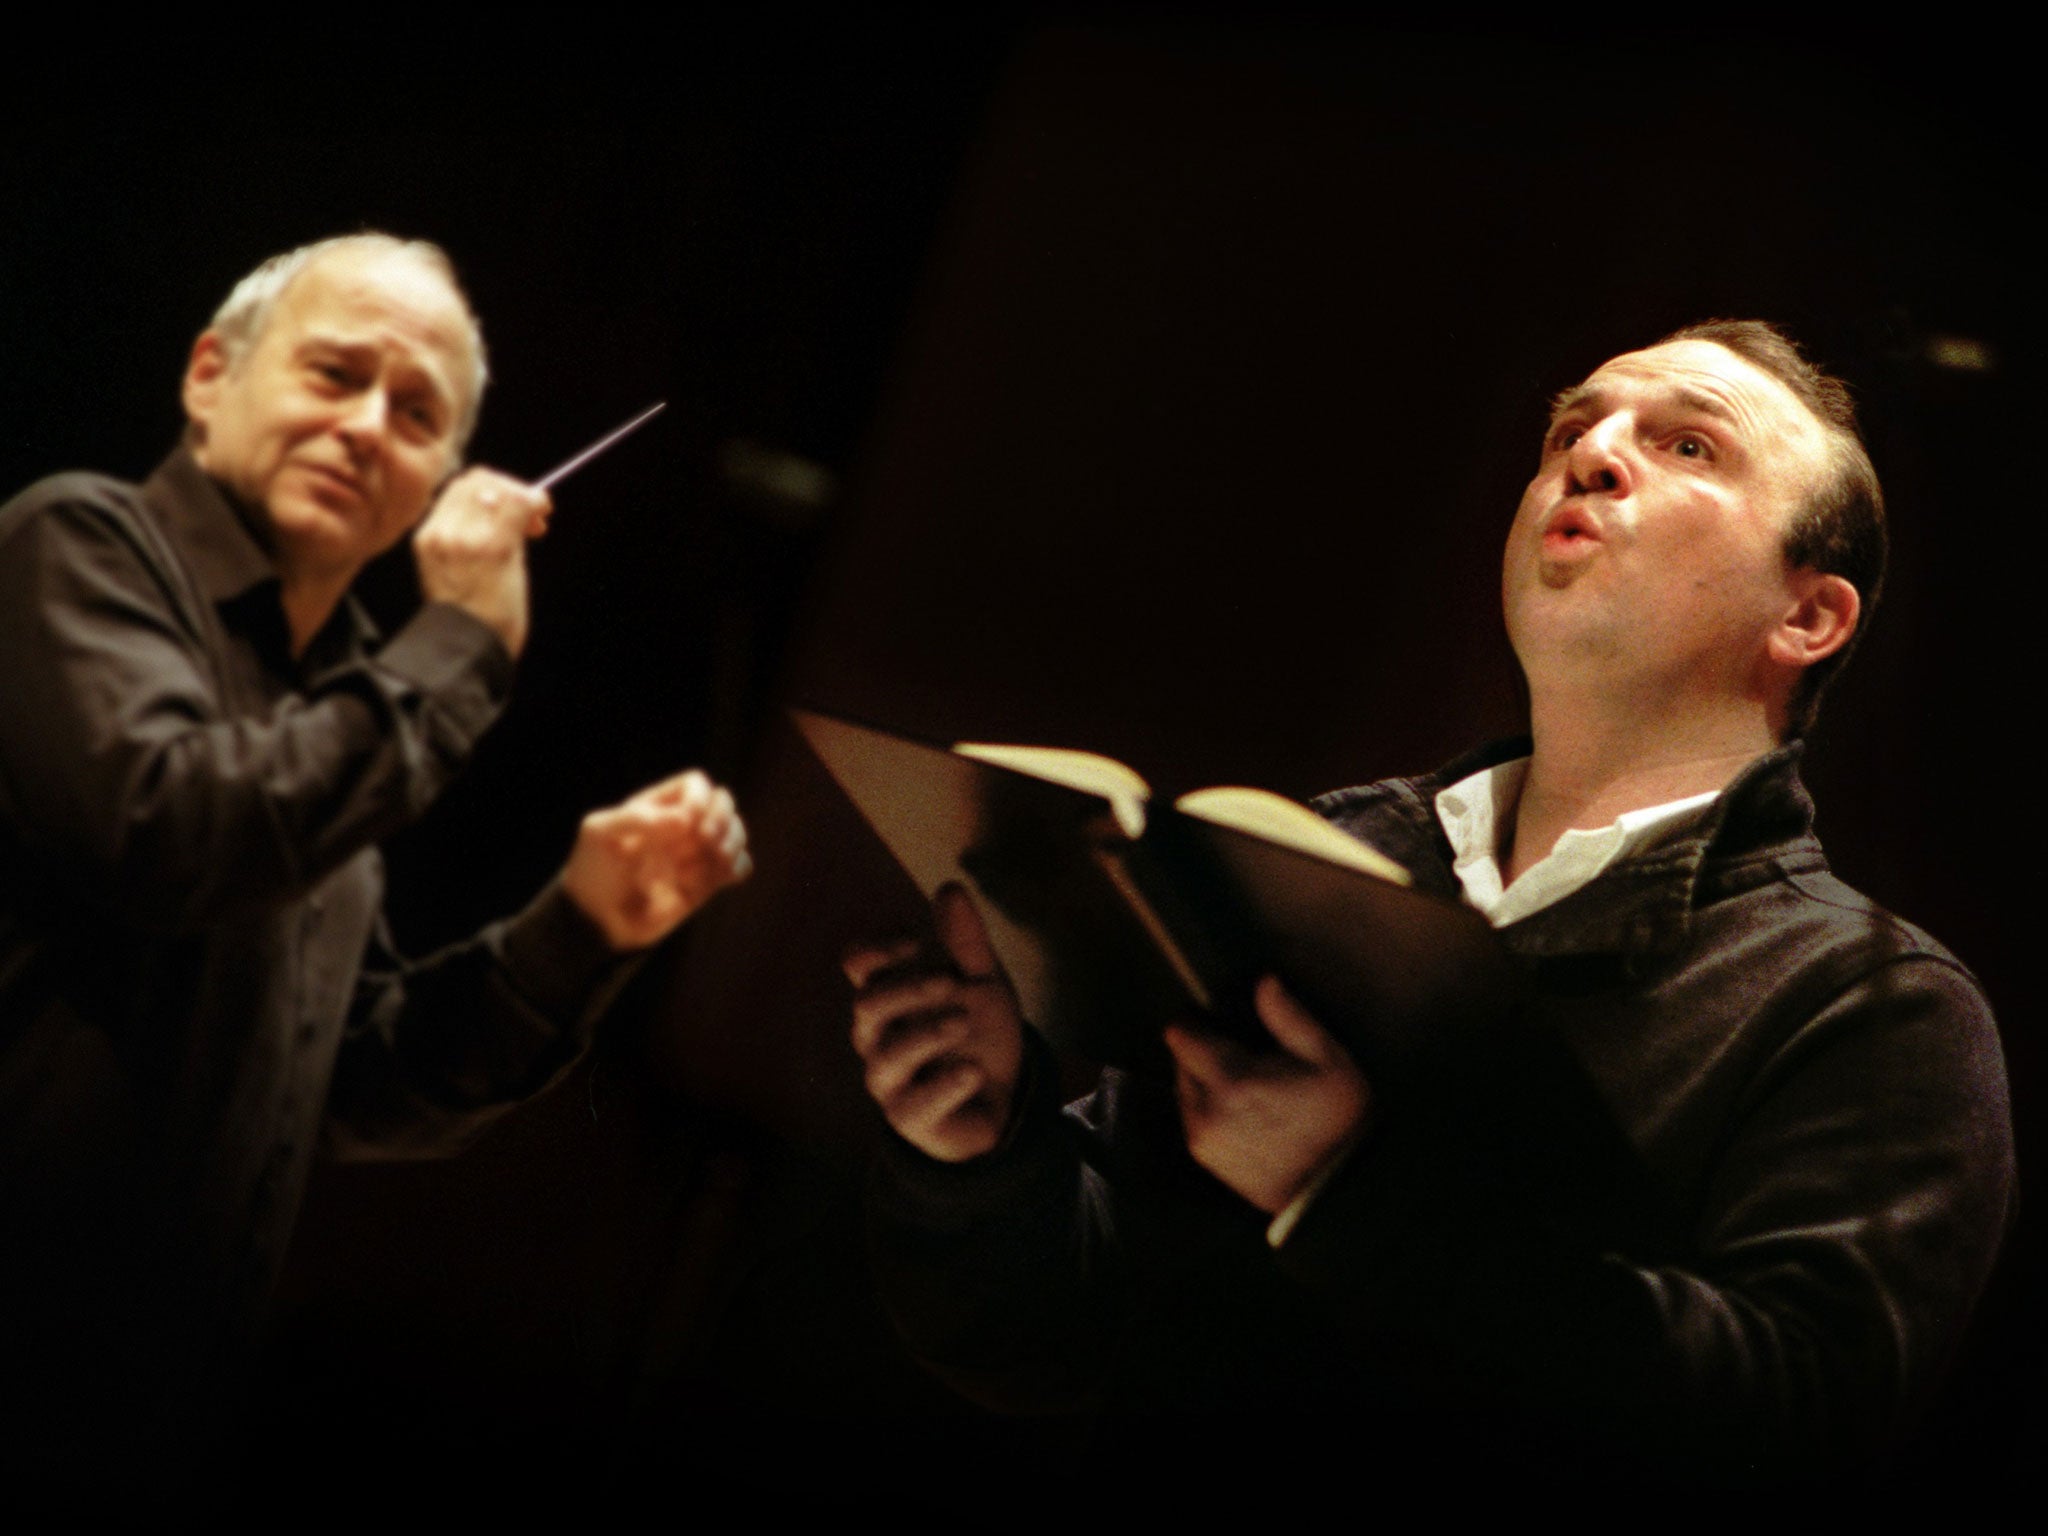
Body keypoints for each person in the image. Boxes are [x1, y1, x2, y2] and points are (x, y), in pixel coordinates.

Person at [842, 321, 2015, 1493]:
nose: (1590, 454)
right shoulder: (1336, 852)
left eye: (1689, 446)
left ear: (1805, 619)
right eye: (1572, 427)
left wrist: (1343, 1199)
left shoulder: (1868, 1003)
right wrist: (981, 1153)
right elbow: (1059, 1332)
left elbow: (1788, 1427)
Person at [0, 234, 751, 1506]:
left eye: (417, 414)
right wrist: (456, 647)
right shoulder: (75, 542)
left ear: (442, 478)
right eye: (334, 373)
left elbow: (344, 1080)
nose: (365, 427)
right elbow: (169, 837)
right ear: (208, 376)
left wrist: (579, 926)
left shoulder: (341, 712)